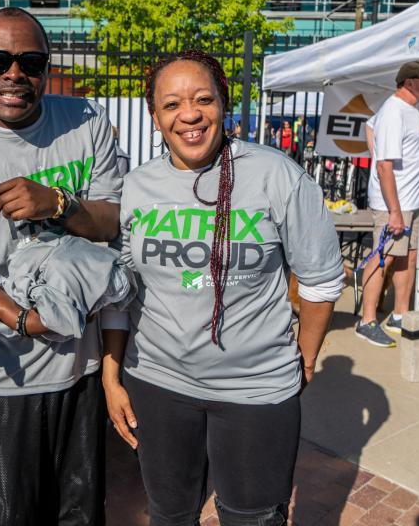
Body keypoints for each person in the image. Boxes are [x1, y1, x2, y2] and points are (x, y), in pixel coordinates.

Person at [103, 51, 343, 526]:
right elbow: (119, 291)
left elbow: (320, 280)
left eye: (202, 99)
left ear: (223, 105)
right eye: (171, 105)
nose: (188, 114)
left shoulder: (277, 175)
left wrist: (307, 358)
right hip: (157, 382)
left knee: (251, 518)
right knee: (170, 514)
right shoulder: (136, 187)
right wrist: (112, 376)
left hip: (256, 390)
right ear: (155, 117)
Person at [0, 7, 123, 525]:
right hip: (1, 378)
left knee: (79, 515)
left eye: (30, 62)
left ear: (46, 67)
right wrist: (26, 321)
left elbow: (116, 222)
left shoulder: (86, 121)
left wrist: (57, 203)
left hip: (82, 370)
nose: (14, 74)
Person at [357, 61, 419, 348]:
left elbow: (368, 126)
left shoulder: (408, 111)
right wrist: (395, 210)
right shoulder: (393, 111)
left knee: (408, 257)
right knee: (382, 257)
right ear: (410, 82)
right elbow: (385, 166)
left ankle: (400, 314)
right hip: (393, 205)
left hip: (410, 201)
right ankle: (367, 321)